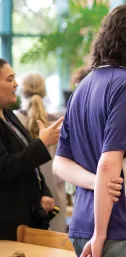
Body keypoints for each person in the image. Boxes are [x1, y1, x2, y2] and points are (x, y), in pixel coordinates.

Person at [52, 3, 126, 257]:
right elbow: (109, 164)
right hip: (122, 228)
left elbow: (60, 163)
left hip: (82, 226)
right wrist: (100, 235)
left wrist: (96, 182)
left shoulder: (84, 85)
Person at [0, 58, 63, 240]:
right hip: (7, 225)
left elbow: (30, 165)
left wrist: (43, 193)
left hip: (28, 217)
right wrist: (42, 144)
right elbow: (5, 166)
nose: (16, 84)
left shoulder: (9, 115)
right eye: (9, 79)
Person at [14, 72, 67, 233]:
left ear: (20, 91)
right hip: (57, 193)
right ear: (44, 92)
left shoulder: (13, 121)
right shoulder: (59, 121)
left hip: (30, 197)